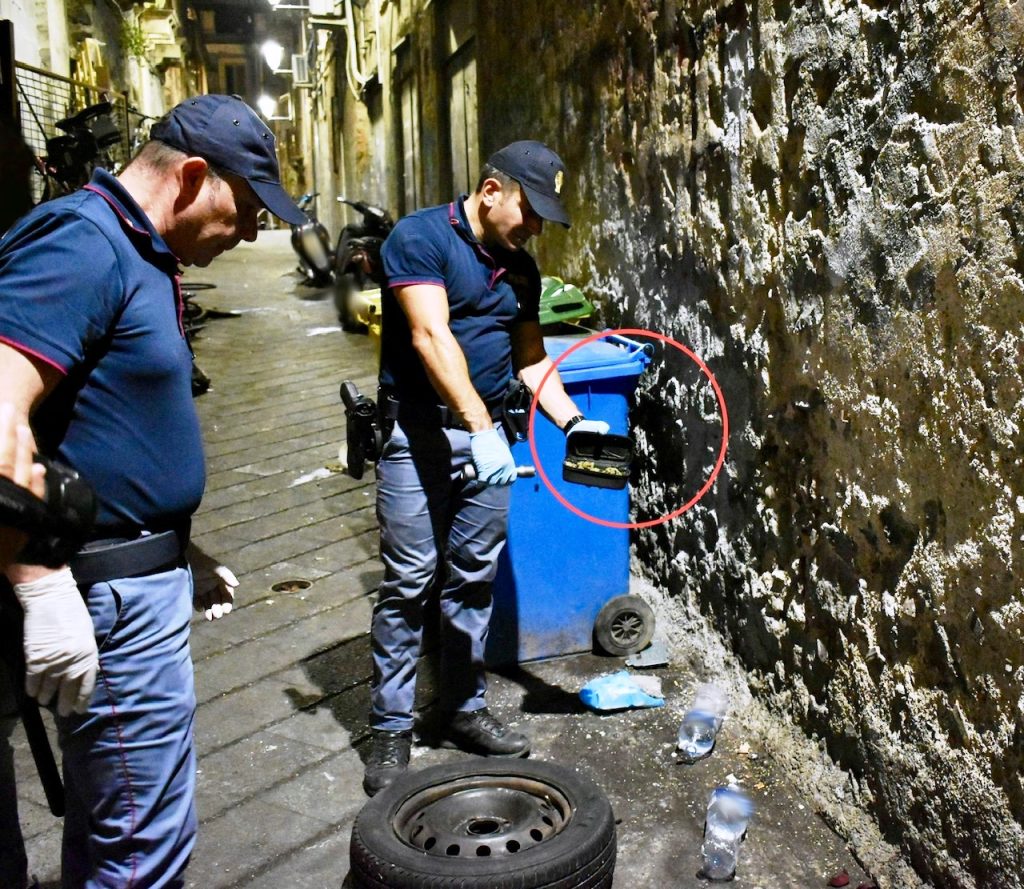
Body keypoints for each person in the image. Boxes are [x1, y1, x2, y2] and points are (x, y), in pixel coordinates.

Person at [0, 94, 306, 888]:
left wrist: (178, 544)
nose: (246, 234)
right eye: (242, 210)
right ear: (193, 175)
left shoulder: (136, 250)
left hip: (133, 572)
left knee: (125, 832)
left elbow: (97, 425)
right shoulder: (85, 244)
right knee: (138, 852)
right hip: (101, 598)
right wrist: (36, 579)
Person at [365, 140, 609, 796]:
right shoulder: (419, 239)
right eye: (529, 212)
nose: (533, 229)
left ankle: (461, 709)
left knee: (472, 577)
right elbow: (429, 337)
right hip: (418, 436)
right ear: (491, 189)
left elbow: (530, 361)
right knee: (411, 578)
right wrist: (480, 428)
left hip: (487, 440)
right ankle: (390, 723)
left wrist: (572, 420)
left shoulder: (522, 273)